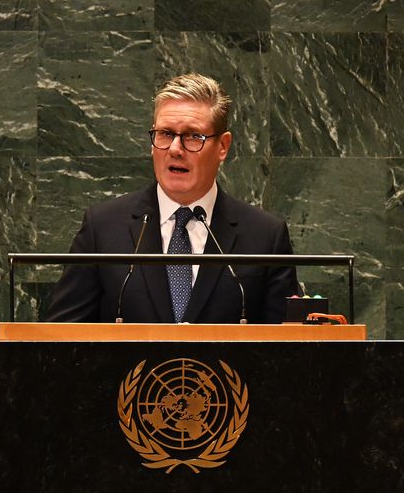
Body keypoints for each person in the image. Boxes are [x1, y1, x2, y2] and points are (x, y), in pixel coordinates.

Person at [43, 73, 299, 324]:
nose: (175, 149)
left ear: (223, 146)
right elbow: (59, 340)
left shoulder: (265, 237)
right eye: (165, 134)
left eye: (192, 136)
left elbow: (288, 352)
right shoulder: (103, 228)